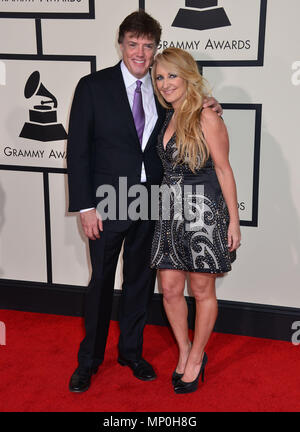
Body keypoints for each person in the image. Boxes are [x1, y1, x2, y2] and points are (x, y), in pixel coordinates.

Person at [67, 10, 222, 393]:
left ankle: (131, 353)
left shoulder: (163, 88)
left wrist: (211, 104)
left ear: (155, 49)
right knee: (101, 282)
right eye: (133, 43)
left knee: (140, 282)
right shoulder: (93, 86)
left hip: (153, 201)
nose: (140, 52)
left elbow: (190, 111)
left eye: (148, 45)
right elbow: (78, 152)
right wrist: (85, 206)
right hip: (106, 202)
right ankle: (89, 361)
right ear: (121, 44)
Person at [150, 47, 241, 394]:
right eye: (159, 77)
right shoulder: (166, 116)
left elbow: (223, 169)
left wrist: (234, 222)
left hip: (204, 215)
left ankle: (198, 355)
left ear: (188, 75)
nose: (165, 83)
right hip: (169, 213)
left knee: (202, 291)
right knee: (171, 290)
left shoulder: (206, 115)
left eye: (172, 75)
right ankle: (185, 349)